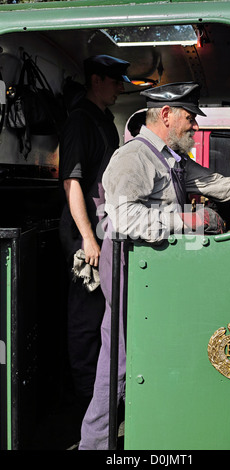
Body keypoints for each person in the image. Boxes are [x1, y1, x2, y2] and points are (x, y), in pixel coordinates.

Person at [79, 82, 230, 450]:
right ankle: (95, 444)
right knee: (119, 362)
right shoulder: (133, 157)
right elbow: (127, 219)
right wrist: (190, 219)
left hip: (154, 276)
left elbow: (217, 184)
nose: (194, 126)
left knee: (143, 354)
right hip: (129, 270)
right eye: (190, 118)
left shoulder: (171, 159)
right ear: (166, 115)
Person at [58, 54, 131, 413]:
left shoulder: (105, 120)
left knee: (101, 312)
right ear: (97, 80)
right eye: (116, 81)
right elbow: (72, 182)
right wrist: (87, 238)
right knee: (86, 314)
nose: (120, 88)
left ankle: (100, 394)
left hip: (102, 232)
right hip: (83, 235)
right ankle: (86, 396)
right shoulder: (80, 121)